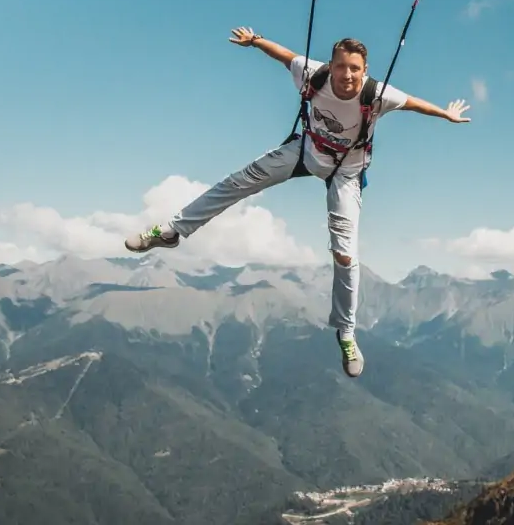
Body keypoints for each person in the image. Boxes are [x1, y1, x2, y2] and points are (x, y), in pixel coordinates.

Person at [124, 26, 471, 378]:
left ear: (364, 71)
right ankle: (173, 231)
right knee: (239, 181)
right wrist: (256, 41)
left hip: (346, 172)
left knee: (346, 253)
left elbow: (412, 103)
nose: (347, 74)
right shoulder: (313, 73)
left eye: (354, 68)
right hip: (305, 151)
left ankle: (346, 331)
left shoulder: (377, 94)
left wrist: (445, 114)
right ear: (331, 65)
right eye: (341, 66)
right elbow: (284, 55)